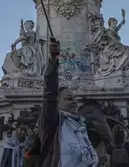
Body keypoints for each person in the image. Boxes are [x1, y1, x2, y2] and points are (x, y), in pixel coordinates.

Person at [39, 37, 99, 167]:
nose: (74, 102)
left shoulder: (80, 126)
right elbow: (49, 94)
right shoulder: (53, 124)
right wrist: (53, 61)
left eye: (74, 98)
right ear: (57, 102)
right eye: (68, 98)